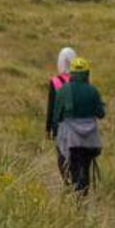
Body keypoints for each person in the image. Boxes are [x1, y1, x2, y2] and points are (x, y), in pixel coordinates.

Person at [51, 56, 105, 195]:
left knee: (70, 164)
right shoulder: (93, 91)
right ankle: (83, 193)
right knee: (85, 166)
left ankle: (73, 191)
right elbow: (101, 114)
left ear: (72, 73)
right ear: (87, 74)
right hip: (90, 140)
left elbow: (56, 115)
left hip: (70, 138)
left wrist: (54, 132)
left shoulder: (64, 90)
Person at [44, 47, 77, 183]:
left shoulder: (55, 81)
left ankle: (66, 181)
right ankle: (75, 180)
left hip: (60, 124)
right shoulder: (80, 81)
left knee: (61, 154)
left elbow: (51, 107)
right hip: (77, 124)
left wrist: (48, 128)